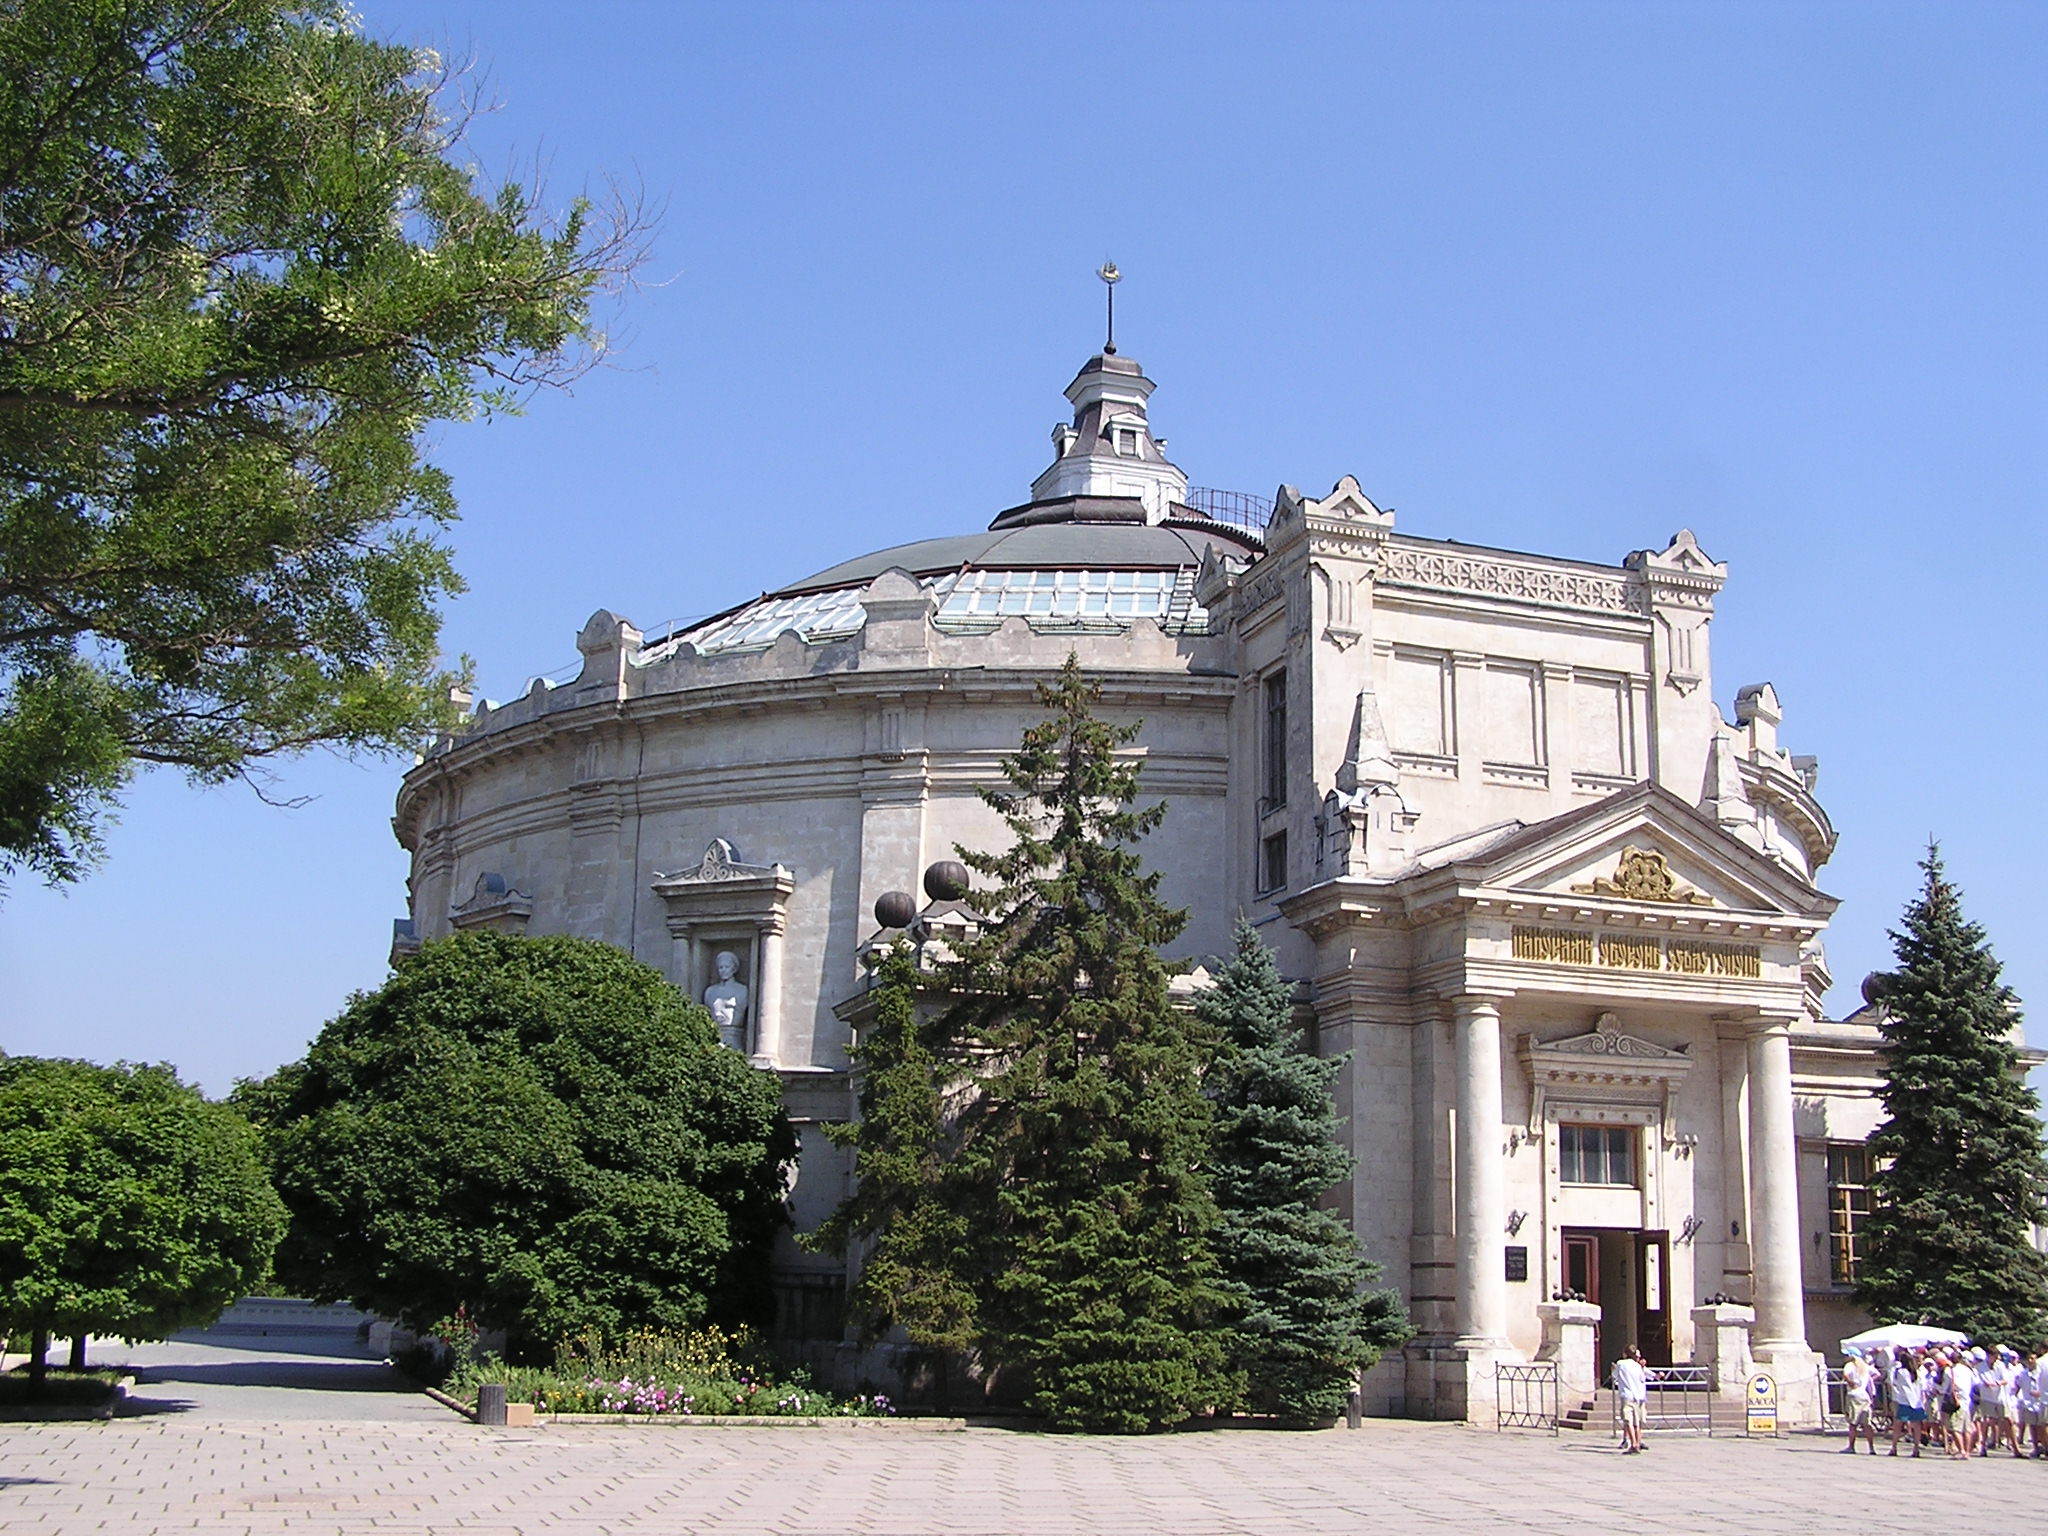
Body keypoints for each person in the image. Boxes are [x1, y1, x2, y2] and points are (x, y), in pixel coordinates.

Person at [703, 949, 751, 1053]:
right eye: (721, 967)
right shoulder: (710, 991)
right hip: (714, 1035)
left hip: (734, 1036)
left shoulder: (742, 990)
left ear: (734, 969)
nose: (723, 970)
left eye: (726, 967)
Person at [1840, 1347, 1878, 1455]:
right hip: (1864, 1395)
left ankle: (1851, 1446)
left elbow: (1845, 1375)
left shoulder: (1850, 1365)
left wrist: (1851, 1383)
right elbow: (1877, 1373)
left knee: (1853, 1423)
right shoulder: (1865, 1366)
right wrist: (1870, 1381)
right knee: (1867, 1424)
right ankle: (1871, 1448)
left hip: (1854, 1395)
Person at [1889, 1350, 1927, 1458]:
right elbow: (1923, 1387)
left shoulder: (1901, 1372)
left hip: (1904, 1401)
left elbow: (1895, 1383)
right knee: (1916, 1425)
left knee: (1898, 1425)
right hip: (1916, 1402)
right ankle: (1916, 1448)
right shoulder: (1918, 1373)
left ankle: (1894, 1447)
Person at [1612, 1344, 1649, 1455]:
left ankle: (1633, 1445)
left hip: (1627, 1395)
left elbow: (1615, 1375)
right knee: (1636, 1422)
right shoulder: (1637, 1366)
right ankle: (1637, 1442)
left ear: (1625, 1354)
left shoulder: (1621, 1363)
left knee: (1628, 1421)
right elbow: (1642, 1378)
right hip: (1637, 1396)